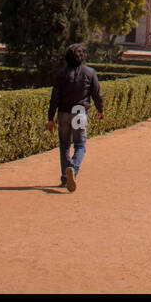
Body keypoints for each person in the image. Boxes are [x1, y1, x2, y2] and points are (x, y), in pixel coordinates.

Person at [45, 44, 104, 192]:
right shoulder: (89, 73)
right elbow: (97, 94)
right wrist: (100, 110)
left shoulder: (61, 74)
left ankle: (65, 178)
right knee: (80, 145)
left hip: (64, 112)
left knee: (64, 145)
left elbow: (55, 97)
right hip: (80, 112)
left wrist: (50, 118)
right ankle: (73, 168)